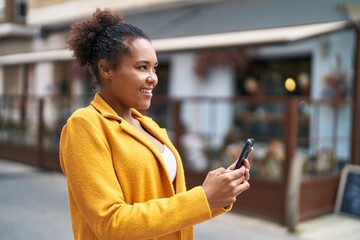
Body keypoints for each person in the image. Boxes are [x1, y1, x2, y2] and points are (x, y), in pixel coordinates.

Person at [60, 8, 252, 240]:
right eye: (142, 67)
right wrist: (202, 197)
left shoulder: (150, 126)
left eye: (154, 67)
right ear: (106, 69)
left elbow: (170, 210)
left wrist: (217, 195)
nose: (153, 77)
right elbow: (110, 223)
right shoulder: (85, 125)